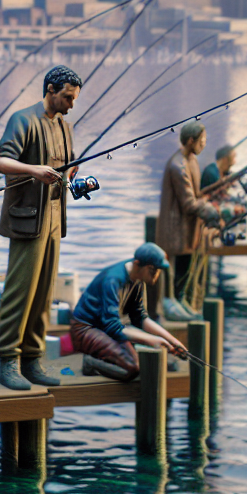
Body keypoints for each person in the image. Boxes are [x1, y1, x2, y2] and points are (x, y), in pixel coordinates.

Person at [0, 65, 80, 390]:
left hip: (56, 220)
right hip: (28, 220)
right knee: (20, 292)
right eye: (68, 97)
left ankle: (32, 357)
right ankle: (8, 360)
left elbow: (64, 162)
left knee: (44, 293)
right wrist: (35, 170)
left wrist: (71, 170)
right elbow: (1, 161)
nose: (71, 104)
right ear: (51, 89)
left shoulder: (64, 126)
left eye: (74, 99)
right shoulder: (23, 119)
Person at [70, 243, 188, 381]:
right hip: (87, 329)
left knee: (165, 365)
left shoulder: (137, 278)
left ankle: (117, 356)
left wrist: (172, 340)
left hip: (109, 327)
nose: (156, 275)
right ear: (137, 264)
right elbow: (112, 326)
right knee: (132, 368)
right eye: (152, 270)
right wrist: (152, 339)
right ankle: (90, 363)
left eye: (158, 270)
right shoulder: (112, 280)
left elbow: (139, 317)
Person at [156, 121, 222, 301]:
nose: (204, 144)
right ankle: (175, 305)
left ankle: (180, 302)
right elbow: (188, 204)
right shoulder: (178, 165)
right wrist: (211, 210)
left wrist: (212, 193)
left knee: (183, 274)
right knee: (178, 274)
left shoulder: (191, 160)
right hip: (177, 231)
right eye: (202, 141)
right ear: (191, 140)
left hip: (188, 230)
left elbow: (196, 194)